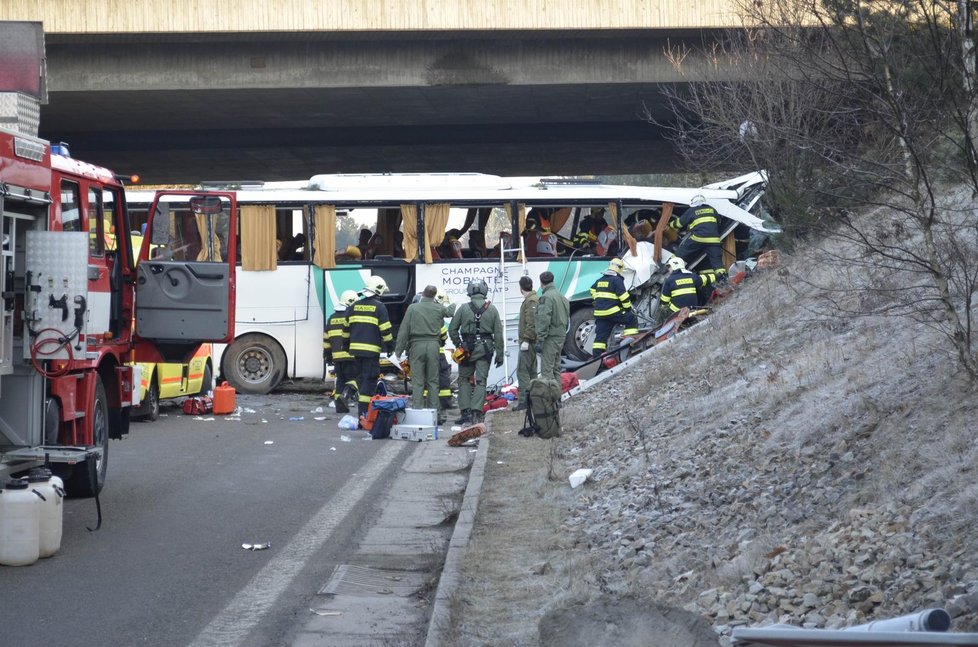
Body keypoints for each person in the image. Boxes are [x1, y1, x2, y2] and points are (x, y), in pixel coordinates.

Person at [448, 279, 504, 426]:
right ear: (484, 292)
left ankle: (465, 412)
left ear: (470, 291)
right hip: (485, 349)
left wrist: (459, 344)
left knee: (464, 380)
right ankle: (476, 412)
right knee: (481, 381)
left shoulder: (463, 308)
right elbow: (498, 333)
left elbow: (452, 329)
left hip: (467, 349)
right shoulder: (492, 310)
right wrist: (499, 355)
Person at [347, 275, 395, 421]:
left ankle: (351, 395)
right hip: (371, 352)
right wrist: (390, 346)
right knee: (369, 381)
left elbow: (345, 329)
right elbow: (385, 330)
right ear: (378, 290)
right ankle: (364, 415)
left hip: (355, 351)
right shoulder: (379, 307)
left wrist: (345, 345)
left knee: (361, 379)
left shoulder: (353, 306)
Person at [394, 285, 445, 416]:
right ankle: (435, 414)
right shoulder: (438, 308)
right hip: (434, 346)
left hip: (417, 346)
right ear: (434, 296)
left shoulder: (412, 308)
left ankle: (417, 413)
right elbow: (441, 328)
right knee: (433, 381)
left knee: (418, 382)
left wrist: (398, 352)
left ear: (423, 295)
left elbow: (404, 331)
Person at [589, 258, 639, 356]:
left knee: (600, 338)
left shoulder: (600, 280)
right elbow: (624, 297)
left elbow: (592, 289)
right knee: (631, 319)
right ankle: (629, 343)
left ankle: (597, 359)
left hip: (600, 314)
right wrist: (627, 309)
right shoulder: (617, 280)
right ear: (620, 268)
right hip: (612, 312)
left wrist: (597, 299)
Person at [670, 194, 726, 280]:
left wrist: (670, 224)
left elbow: (679, 223)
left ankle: (670, 266)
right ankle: (722, 277)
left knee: (682, 251)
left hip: (698, 238)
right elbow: (718, 222)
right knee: (716, 260)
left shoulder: (691, 211)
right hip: (714, 240)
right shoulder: (712, 209)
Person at [653, 255, 717, 326]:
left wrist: (663, 308)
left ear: (674, 266)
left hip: (677, 311)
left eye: (669, 267)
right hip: (692, 308)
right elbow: (705, 279)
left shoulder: (669, 280)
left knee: (662, 310)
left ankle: (661, 326)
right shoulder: (692, 275)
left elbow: (665, 300)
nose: (668, 269)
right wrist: (717, 276)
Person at [323, 290, 359, 413]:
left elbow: (326, 340)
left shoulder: (331, 319)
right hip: (350, 355)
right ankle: (347, 394)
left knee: (340, 382)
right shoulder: (351, 317)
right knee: (356, 379)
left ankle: (340, 407)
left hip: (337, 358)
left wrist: (328, 357)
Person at [536, 271, 569, 384]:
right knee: (556, 368)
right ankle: (557, 397)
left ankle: (549, 398)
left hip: (550, 337)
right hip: (561, 335)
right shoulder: (561, 297)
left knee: (547, 369)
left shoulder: (546, 298)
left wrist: (540, 337)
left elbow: (544, 318)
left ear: (541, 283)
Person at [516, 275, 539, 412]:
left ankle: (525, 401)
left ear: (521, 287)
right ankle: (534, 399)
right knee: (532, 372)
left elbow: (531, 323)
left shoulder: (531, 301)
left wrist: (526, 340)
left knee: (523, 372)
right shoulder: (531, 300)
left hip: (528, 342)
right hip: (531, 341)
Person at [434, 289, 456, 411]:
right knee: (443, 376)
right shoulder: (438, 312)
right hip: (437, 350)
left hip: (421, 350)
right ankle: (445, 403)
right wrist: (443, 340)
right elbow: (442, 333)